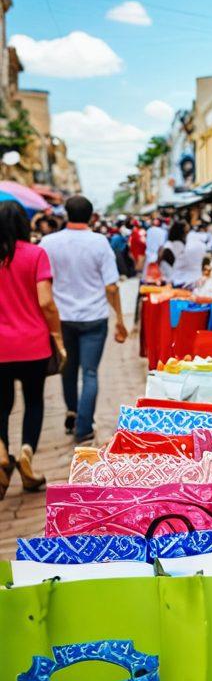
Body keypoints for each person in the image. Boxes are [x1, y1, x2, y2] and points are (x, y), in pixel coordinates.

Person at [39, 195, 129, 443]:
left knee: (67, 369)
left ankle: (73, 411)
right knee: (89, 373)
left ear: (66, 214)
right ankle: (83, 427)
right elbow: (111, 287)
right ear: (91, 216)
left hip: (62, 318)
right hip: (93, 317)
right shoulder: (100, 243)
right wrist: (120, 319)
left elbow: (43, 283)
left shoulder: (48, 242)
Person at [0, 200, 64, 497]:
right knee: (34, 401)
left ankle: (2, 451)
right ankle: (26, 454)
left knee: (2, 403)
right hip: (33, 344)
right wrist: (58, 338)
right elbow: (46, 302)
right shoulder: (36, 254)